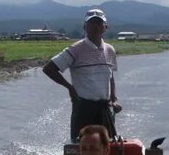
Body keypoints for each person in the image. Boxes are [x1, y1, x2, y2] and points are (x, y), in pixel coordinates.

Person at [43, 8, 121, 141]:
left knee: (107, 145)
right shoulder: (76, 49)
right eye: (91, 23)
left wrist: (114, 98)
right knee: (82, 147)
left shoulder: (110, 50)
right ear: (85, 27)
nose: (95, 26)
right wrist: (70, 87)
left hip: (104, 107)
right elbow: (49, 68)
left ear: (105, 27)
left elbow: (110, 75)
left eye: (99, 23)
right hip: (84, 107)